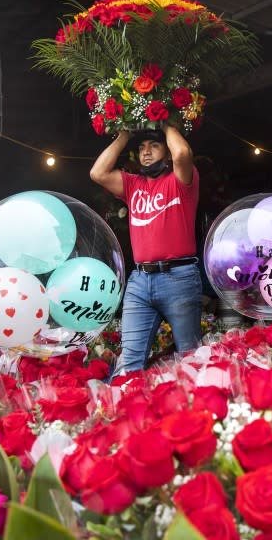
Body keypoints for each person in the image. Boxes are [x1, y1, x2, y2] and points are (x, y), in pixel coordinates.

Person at [89, 125, 201, 377]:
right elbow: (97, 173)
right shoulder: (133, 185)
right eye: (141, 148)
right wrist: (124, 135)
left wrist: (165, 121)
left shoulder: (181, 179)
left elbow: (183, 153)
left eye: (154, 146)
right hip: (139, 281)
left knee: (190, 357)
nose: (146, 152)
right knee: (129, 363)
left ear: (167, 152)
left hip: (179, 276)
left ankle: (196, 412)